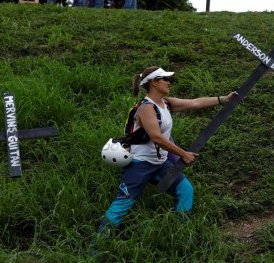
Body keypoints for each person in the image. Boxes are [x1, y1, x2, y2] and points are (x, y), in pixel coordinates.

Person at [97, 66, 238, 235]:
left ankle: (182, 232)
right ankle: (96, 247)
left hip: (159, 164)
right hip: (139, 165)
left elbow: (196, 102)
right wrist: (183, 154)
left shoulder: (166, 104)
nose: (168, 82)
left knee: (185, 190)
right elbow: (156, 137)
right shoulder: (146, 108)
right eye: (165, 79)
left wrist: (224, 99)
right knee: (122, 205)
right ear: (154, 83)